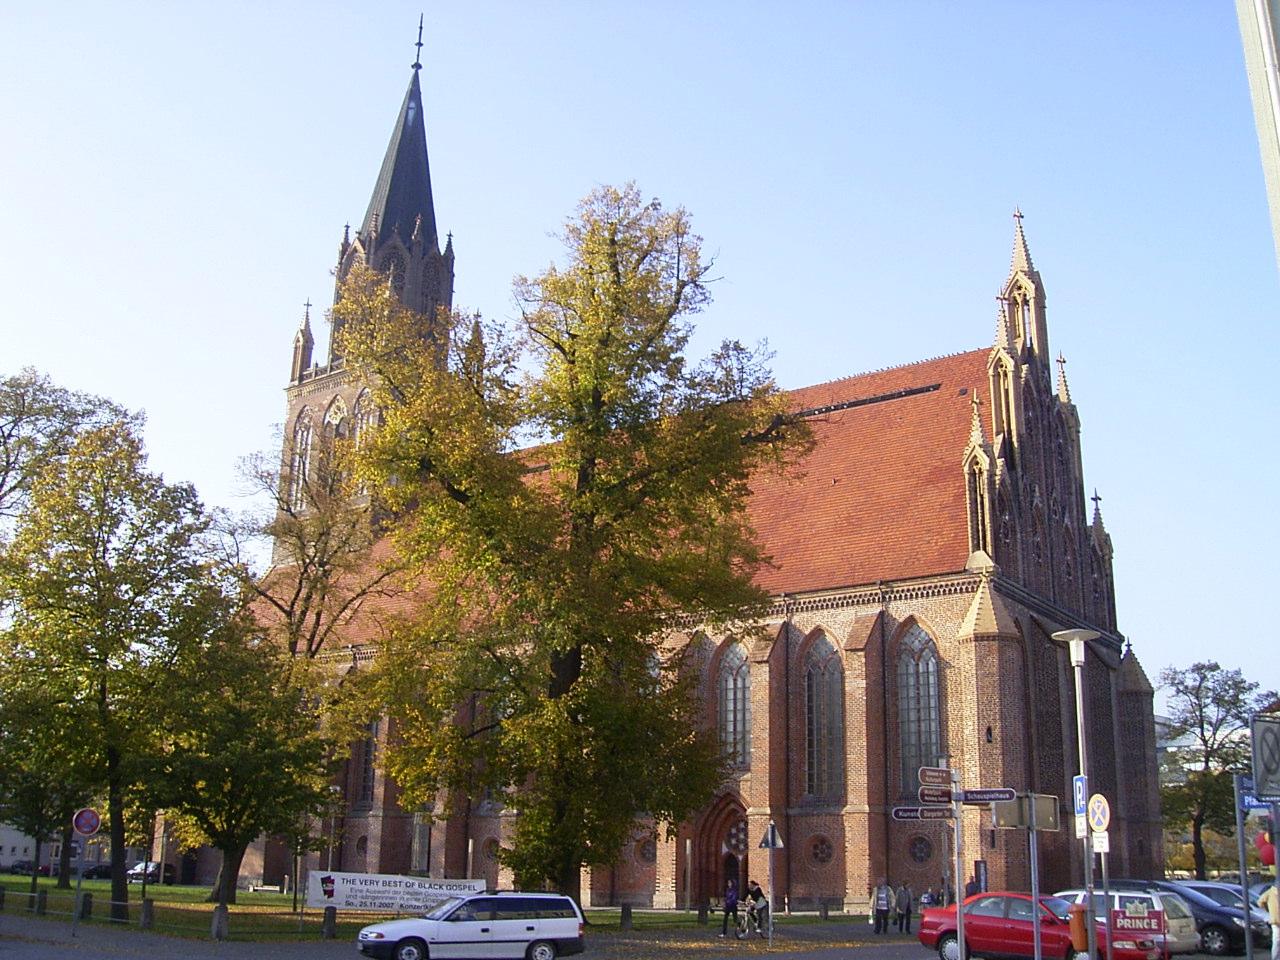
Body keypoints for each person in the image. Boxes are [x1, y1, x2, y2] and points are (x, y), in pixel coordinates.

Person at [1259, 881, 1280, 960]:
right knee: (1276, 942)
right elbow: (1260, 902)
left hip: (1275, 920)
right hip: (1275, 921)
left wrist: (1267, 909)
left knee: (1276, 942)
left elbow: (1260, 902)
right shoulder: (1270, 893)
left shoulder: (1269, 893)